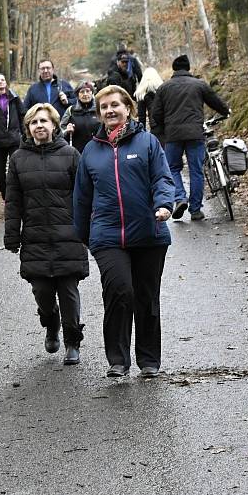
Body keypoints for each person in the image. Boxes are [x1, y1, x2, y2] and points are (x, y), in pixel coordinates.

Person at [73, 85, 175, 379]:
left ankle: (148, 360)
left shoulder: (147, 143)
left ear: (128, 108)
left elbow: (162, 178)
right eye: (104, 107)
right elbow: (81, 197)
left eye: (115, 105)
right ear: (99, 113)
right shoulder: (91, 150)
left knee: (146, 296)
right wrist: (82, 236)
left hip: (149, 232)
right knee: (119, 291)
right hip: (106, 236)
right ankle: (118, 359)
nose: (110, 110)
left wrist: (164, 205)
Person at [5, 103, 89, 365]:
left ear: (54, 125)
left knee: (68, 290)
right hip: (35, 237)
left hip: (68, 235)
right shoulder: (18, 159)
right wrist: (11, 234)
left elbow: (84, 196)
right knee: (41, 292)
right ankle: (51, 324)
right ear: (28, 128)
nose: (39, 125)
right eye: (33, 122)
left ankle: (72, 341)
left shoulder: (71, 154)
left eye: (44, 121)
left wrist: (87, 229)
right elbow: (13, 201)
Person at [150, 54, 230, 221]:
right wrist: (225, 112)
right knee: (196, 170)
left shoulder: (164, 88)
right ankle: (195, 210)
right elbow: (215, 102)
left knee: (173, 168)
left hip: (173, 135)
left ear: (173, 69)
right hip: (195, 134)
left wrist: (163, 129)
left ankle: (180, 198)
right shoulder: (199, 85)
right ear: (188, 68)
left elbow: (155, 114)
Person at [60, 81, 100, 154]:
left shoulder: (99, 110)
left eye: (88, 91)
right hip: (77, 152)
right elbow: (60, 130)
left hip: (98, 151)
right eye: (82, 92)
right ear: (77, 95)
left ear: (92, 93)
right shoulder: (71, 110)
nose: (85, 94)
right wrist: (67, 131)